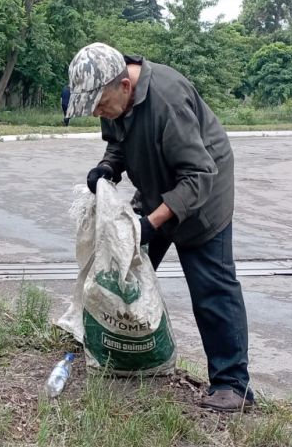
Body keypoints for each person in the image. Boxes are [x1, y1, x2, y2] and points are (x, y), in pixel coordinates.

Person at [65, 42, 254, 412]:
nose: (98, 113)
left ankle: (233, 385)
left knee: (212, 289)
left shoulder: (168, 100)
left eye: (100, 106)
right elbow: (118, 141)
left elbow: (199, 174)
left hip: (204, 192)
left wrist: (151, 224)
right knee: (121, 267)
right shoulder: (113, 94)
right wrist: (108, 167)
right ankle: (118, 349)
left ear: (125, 86)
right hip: (158, 185)